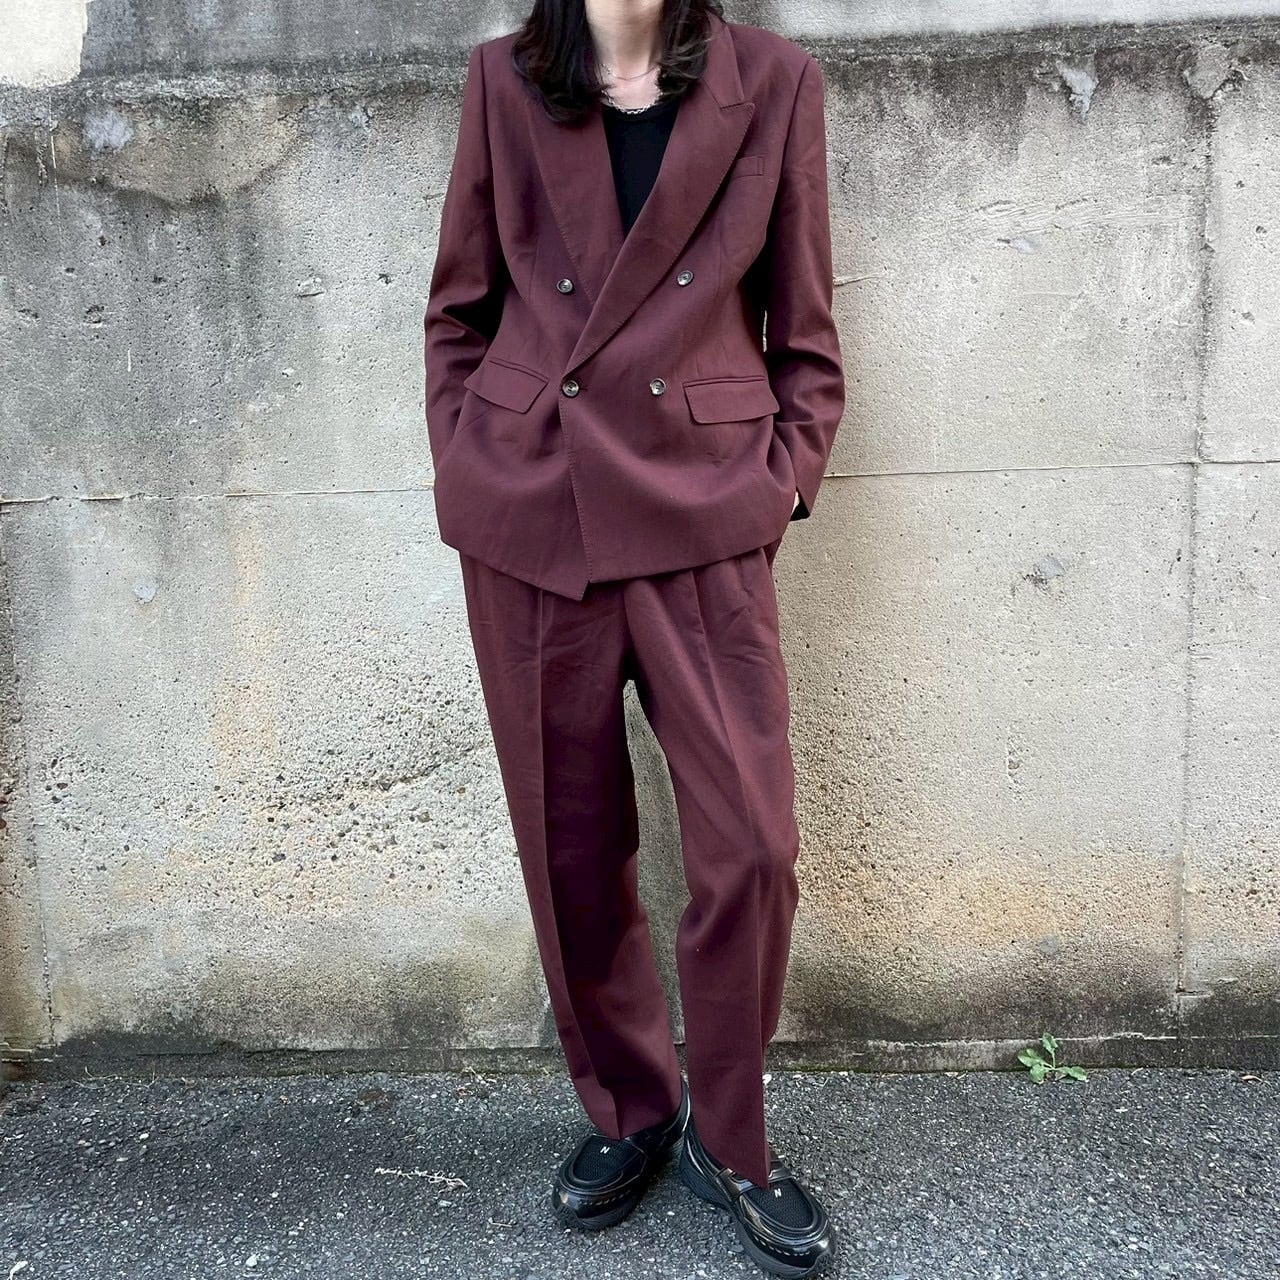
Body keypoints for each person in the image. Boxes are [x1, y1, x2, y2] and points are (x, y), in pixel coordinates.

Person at [423, 0, 844, 1274]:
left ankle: (729, 1133)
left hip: (700, 509)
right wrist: (466, 460)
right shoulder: (501, 82)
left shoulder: (772, 82)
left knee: (752, 846)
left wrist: (778, 483)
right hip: (531, 511)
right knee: (569, 845)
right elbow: (458, 312)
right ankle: (630, 1106)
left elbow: (804, 332)